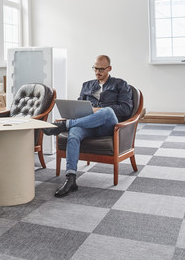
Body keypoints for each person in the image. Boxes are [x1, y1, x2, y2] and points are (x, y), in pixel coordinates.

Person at [44, 55, 133, 197]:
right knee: (73, 133)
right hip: (87, 124)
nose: (98, 72)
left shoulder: (120, 84)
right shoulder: (87, 85)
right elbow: (79, 108)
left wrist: (98, 111)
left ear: (109, 68)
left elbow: (126, 109)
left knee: (107, 111)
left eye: (101, 69)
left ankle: (64, 125)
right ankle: (71, 178)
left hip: (109, 126)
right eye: (95, 68)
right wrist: (76, 111)